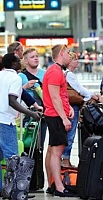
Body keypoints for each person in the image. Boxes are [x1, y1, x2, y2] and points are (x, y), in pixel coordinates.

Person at [0, 53, 40, 198]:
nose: (21, 62)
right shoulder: (15, 78)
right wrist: (32, 113)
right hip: (4, 119)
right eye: (18, 60)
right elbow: (12, 100)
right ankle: (16, 191)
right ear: (14, 63)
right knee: (13, 157)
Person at [43, 44, 76, 197]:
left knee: (52, 150)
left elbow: (60, 95)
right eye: (68, 52)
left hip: (54, 114)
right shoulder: (56, 72)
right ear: (61, 53)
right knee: (57, 152)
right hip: (56, 116)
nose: (70, 55)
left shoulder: (55, 70)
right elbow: (55, 97)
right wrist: (64, 118)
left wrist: (67, 106)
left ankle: (52, 184)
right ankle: (59, 187)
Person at [61, 52, 100, 167]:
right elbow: (80, 89)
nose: (77, 61)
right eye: (75, 59)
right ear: (69, 62)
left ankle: (64, 159)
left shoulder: (66, 74)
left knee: (68, 133)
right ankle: (66, 160)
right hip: (72, 106)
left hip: (68, 105)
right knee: (70, 134)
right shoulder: (69, 75)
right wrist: (93, 96)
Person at [19, 48, 47, 147]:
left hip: (43, 112)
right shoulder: (21, 76)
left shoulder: (45, 74)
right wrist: (25, 87)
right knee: (27, 142)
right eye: (32, 57)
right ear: (26, 60)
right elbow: (15, 94)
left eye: (36, 56)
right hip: (27, 113)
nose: (36, 59)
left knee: (40, 143)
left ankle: (38, 161)